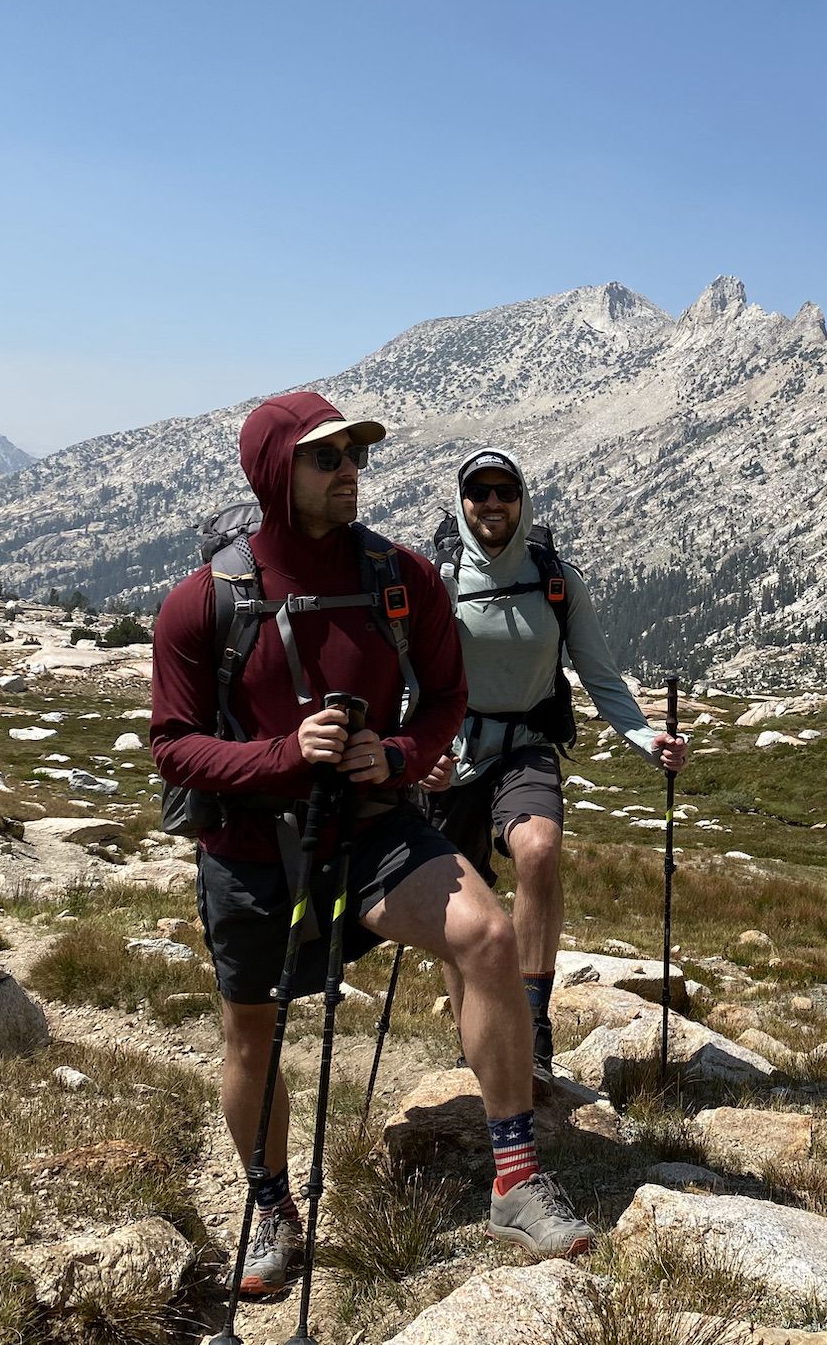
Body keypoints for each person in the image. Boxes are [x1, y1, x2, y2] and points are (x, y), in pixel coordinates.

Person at [151, 395, 594, 1298]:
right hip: (250, 845)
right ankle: (272, 1207)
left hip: (371, 824)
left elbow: (442, 700)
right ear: (276, 472)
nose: (350, 468)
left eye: (355, 454)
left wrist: (393, 754)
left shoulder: (401, 579)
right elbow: (173, 743)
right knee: (253, 1034)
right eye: (326, 458)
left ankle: (515, 1176)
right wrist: (283, 755)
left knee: (489, 936)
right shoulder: (203, 603)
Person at [422, 447, 689, 1089]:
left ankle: (532, 1026)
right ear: (461, 501)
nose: (491, 503)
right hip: (451, 755)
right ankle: (477, 1048)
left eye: (504, 491)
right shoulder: (438, 582)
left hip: (527, 743)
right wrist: (414, 751)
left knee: (539, 850)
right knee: (461, 905)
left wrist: (646, 739)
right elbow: (408, 674)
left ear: (523, 499)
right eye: (478, 492)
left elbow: (598, 673)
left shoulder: (557, 579)